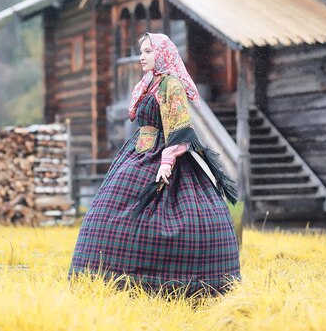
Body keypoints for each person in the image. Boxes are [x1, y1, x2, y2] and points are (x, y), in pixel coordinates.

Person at [69, 33, 241, 296]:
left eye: (148, 51)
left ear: (162, 54)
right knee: (104, 215)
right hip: (138, 153)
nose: (142, 56)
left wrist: (167, 161)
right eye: (142, 51)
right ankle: (103, 279)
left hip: (163, 155)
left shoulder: (171, 85)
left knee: (175, 221)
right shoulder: (149, 83)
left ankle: (161, 283)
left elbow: (180, 127)